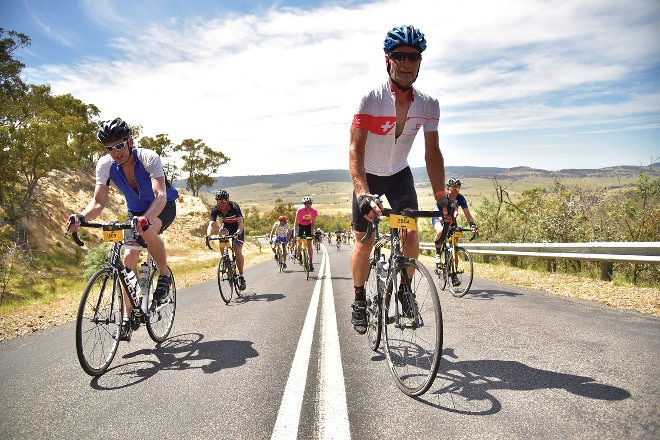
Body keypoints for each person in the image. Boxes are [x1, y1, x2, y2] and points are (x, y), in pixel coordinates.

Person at [348, 25, 453, 334]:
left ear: (420, 61)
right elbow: (355, 150)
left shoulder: (428, 105)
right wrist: (362, 193)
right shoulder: (371, 99)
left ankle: (405, 290)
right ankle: (357, 299)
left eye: (413, 57)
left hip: (399, 177)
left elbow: (432, 154)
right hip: (368, 178)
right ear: (388, 60)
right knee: (364, 242)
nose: (406, 63)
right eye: (399, 56)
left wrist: (441, 196)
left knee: (409, 235)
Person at [69, 117, 179, 340]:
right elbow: (98, 202)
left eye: (119, 145)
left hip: (162, 207)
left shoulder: (148, 158)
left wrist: (146, 218)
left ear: (130, 141)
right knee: (128, 259)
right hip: (135, 212)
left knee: (147, 231)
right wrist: (81, 216)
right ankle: (130, 317)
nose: (115, 152)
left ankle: (164, 275)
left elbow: (160, 195)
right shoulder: (105, 165)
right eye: (109, 148)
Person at [206, 190, 247, 290]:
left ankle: (241, 276)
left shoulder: (234, 206)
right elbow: (211, 224)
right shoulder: (216, 209)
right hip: (226, 227)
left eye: (224, 201)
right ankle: (225, 259)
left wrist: (238, 233)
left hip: (237, 228)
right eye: (219, 201)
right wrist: (208, 235)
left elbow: (241, 223)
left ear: (228, 200)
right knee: (221, 234)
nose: (222, 203)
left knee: (237, 250)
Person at [294, 196, 317, 271]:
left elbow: (313, 223)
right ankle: (300, 256)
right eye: (306, 203)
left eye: (309, 203)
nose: (308, 205)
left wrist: (312, 232)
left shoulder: (314, 211)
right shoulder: (299, 210)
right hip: (300, 226)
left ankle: (310, 263)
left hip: (308, 226)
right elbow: (296, 222)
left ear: (311, 204)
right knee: (299, 242)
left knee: (309, 244)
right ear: (304, 204)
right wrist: (295, 232)